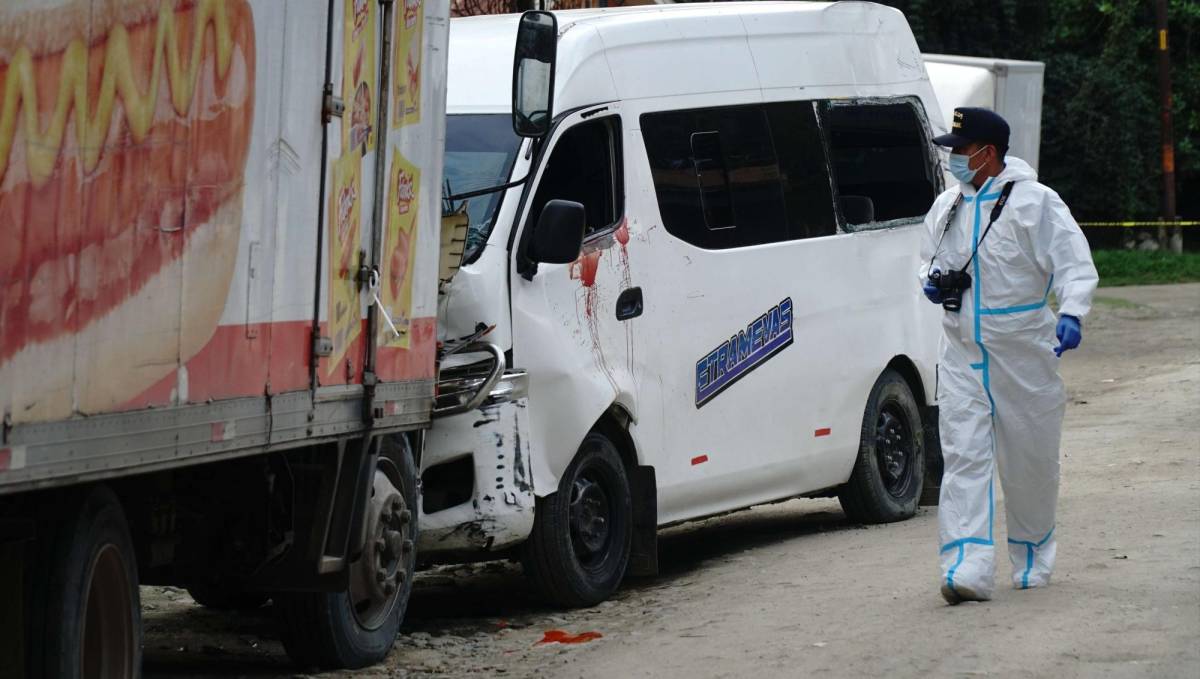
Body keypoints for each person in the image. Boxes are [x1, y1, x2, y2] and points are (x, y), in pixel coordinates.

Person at [919, 107, 1098, 604]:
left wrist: (1073, 311)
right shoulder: (948, 206)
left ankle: (1032, 556)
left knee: (1030, 464)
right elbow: (925, 260)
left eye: (960, 149)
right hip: (961, 352)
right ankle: (965, 567)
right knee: (964, 457)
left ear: (988, 153)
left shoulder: (1036, 204)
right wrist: (930, 285)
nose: (953, 158)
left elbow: (1073, 262)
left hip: (1023, 353)